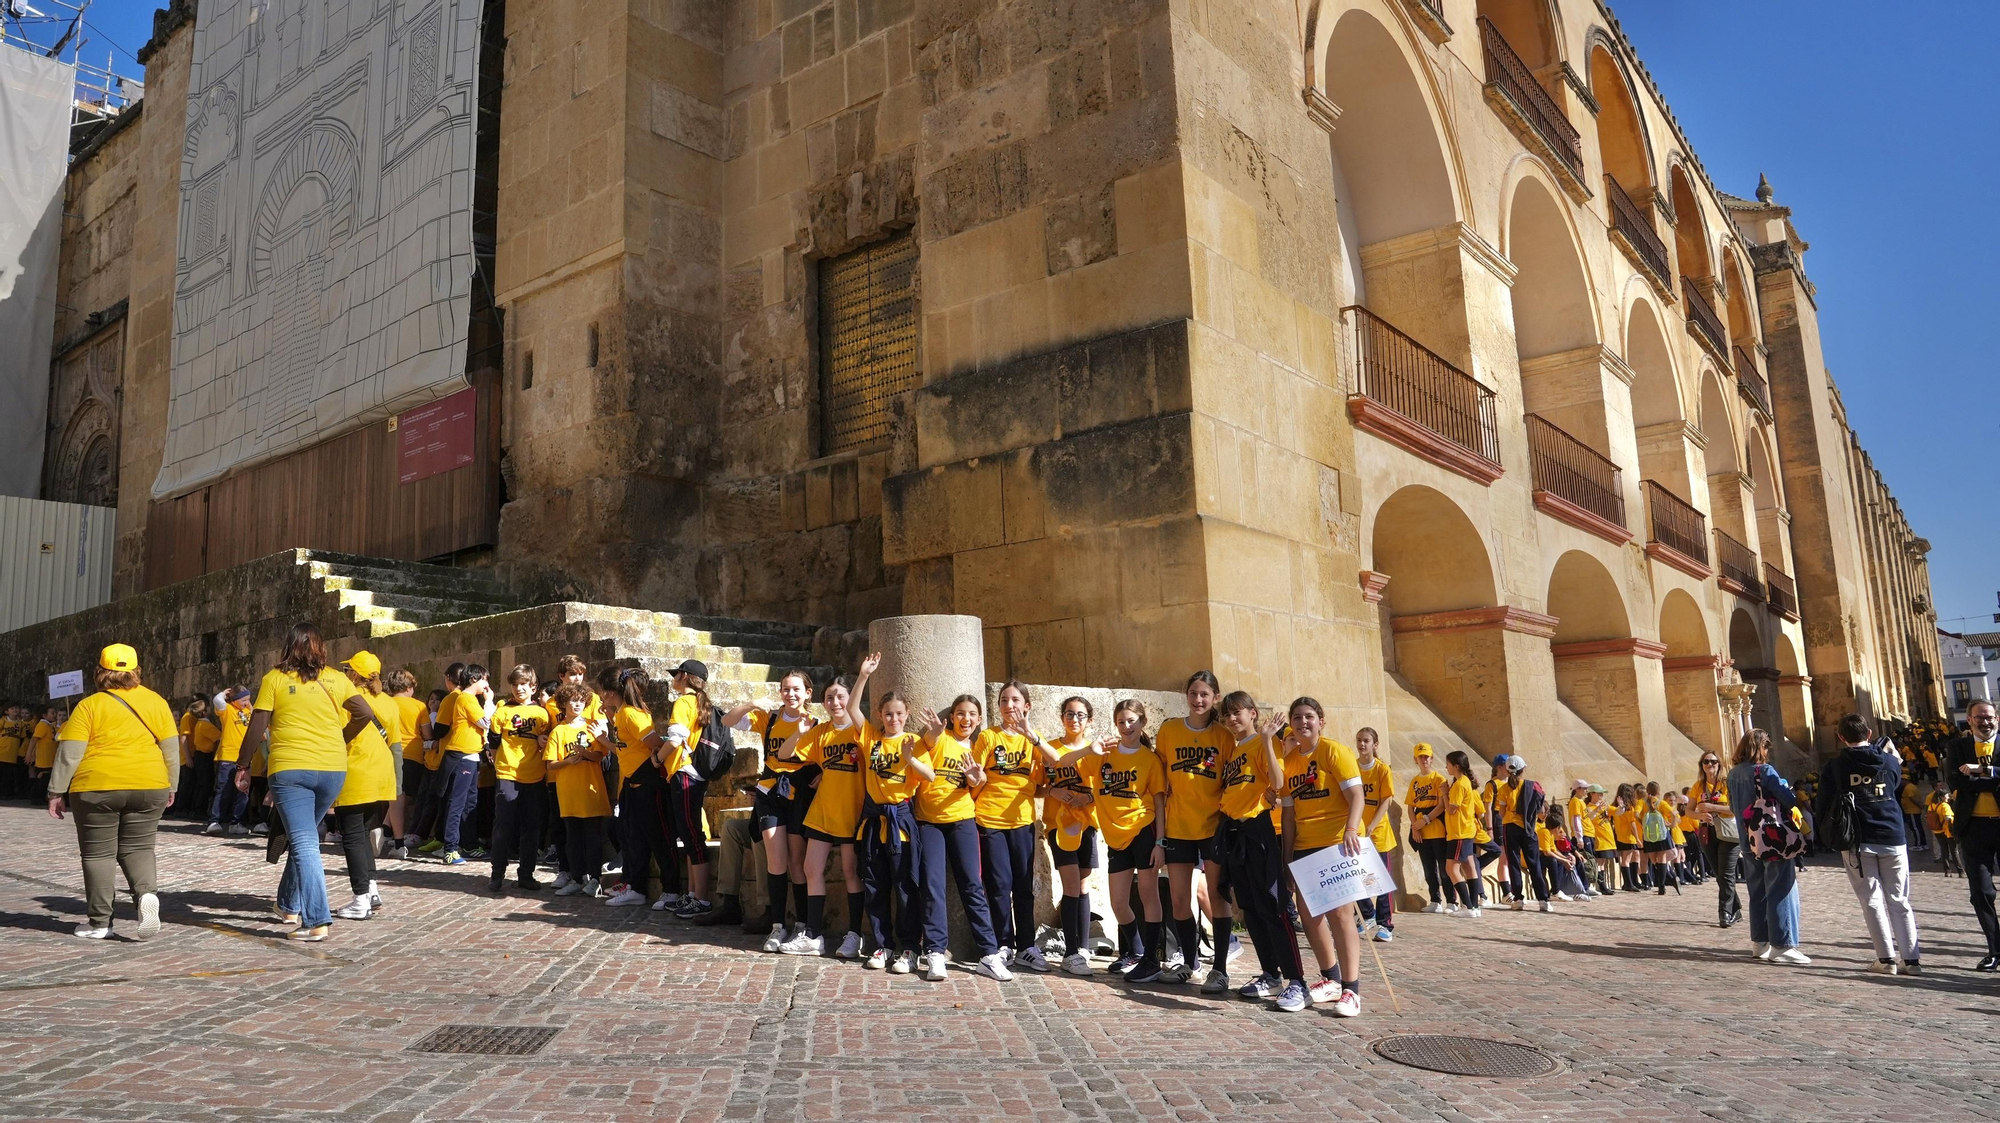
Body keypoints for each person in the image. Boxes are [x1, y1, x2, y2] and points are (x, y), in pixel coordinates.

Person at [236, 623, 374, 941]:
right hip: (332, 769)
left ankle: (316, 920)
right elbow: (364, 713)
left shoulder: (275, 679)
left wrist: (243, 765)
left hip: (290, 770)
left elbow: (257, 728)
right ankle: (287, 904)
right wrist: (341, 738)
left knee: (304, 842)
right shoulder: (337, 679)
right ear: (321, 648)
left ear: (289, 646)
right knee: (304, 838)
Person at [45, 644, 179, 938]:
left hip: (96, 786)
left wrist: (56, 791)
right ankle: (146, 895)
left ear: (101, 672)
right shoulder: (156, 702)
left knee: (98, 855)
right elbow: (171, 747)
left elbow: (70, 753)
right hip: (149, 782)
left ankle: (100, 922)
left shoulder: (89, 706)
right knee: (139, 848)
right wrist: (172, 784)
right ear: (136, 671)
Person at [1214, 691, 1308, 1010]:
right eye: (1227, 714)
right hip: (1235, 833)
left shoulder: (1265, 742)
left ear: (1252, 713)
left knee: (1273, 907)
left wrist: (1268, 739)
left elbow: (1279, 782)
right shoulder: (1234, 749)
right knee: (1250, 908)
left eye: (1237, 712)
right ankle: (1270, 974)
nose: (1231, 719)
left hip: (1259, 831)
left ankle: (1298, 981)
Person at [908, 692, 1010, 981]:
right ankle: (935, 952)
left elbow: (976, 785)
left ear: (979, 720)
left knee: (972, 885)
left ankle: (988, 954)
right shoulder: (939, 737)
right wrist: (934, 732)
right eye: (960, 713)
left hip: (963, 819)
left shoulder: (979, 748)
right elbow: (927, 744)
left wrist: (979, 780)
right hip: (929, 822)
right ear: (951, 717)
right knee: (932, 885)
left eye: (971, 714)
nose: (966, 719)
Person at [1816, 713, 1922, 975]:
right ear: (1869, 734)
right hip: (1892, 834)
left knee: (1871, 899)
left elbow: (1824, 803)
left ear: (1841, 737)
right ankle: (1911, 960)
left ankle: (1885, 960)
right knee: (1899, 899)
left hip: (1857, 839)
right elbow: (1895, 785)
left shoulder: (1835, 766)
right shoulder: (1888, 760)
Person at [1279, 697, 1365, 1017]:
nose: (1303, 722)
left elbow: (1356, 794)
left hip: (1336, 844)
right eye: (1297, 717)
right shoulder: (1289, 763)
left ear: (1321, 721)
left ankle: (1351, 990)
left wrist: (1351, 829)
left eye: (1310, 717)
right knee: (1310, 916)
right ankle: (1330, 977)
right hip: (1304, 847)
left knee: (1341, 915)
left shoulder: (1334, 751)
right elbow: (1288, 817)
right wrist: (1287, 858)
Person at [711, 669, 815, 933]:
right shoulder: (769, 718)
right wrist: (750, 704)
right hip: (770, 794)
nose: (790, 694)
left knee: (796, 862)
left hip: (798, 796)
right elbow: (726, 721)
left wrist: (822, 777)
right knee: (776, 860)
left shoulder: (814, 724)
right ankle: (777, 926)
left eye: (796, 689)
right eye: (786, 689)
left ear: (807, 693)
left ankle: (801, 925)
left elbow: (823, 760)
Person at [771, 669, 867, 954]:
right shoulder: (821, 732)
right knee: (811, 868)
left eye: (840, 696)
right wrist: (799, 733)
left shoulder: (861, 729)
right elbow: (785, 755)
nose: (835, 702)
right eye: (829, 697)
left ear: (849, 699)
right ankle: (813, 936)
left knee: (851, 872)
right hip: (823, 811)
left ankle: (854, 934)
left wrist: (861, 677)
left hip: (852, 811)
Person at [1076, 698, 1167, 982]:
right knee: (1118, 902)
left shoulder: (1150, 760)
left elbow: (1161, 803)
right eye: (1120, 722)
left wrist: (1160, 842)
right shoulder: (1105, 754)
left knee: (1148, 894)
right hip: (1115, 837)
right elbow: (1066, 764)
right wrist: (1088, 748)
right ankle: (1136, 951)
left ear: (1142, 723)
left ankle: (1152, 960)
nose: (1126, 727)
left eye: (1131, 721)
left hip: (1144, 830)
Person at [1154, 671, 1232, 984]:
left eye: (1204, 695)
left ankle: (1221, 969)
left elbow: (1233, 779)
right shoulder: (1169, 730)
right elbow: (1159, 779)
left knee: (1217, 897)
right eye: (1193, 694)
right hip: (1178, 827)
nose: (1198, 700)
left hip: (1213, 827)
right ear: (1186, 695)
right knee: (1178, 899)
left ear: (1215, 698)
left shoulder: (1223, 736)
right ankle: (1190, 962)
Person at [973, 682, 1048, 972]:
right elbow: (977, 777)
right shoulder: (989, 737)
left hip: (1023, 821)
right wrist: (975, 777)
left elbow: (1040, 783)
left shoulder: (1033, 740)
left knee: (1023, 886)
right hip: (990, 819)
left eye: (1015, 700)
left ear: (1026, 706)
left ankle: (1026, 946)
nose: (1009, 705)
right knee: (999, 885)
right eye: (1004, 700)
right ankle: (1004, 944)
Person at [856, 685, 932, 971]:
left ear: (907, 714)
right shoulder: (872, 739)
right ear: (880, 715)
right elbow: (853, 710)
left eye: (899, 714)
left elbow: (930, 775)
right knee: (875, 887)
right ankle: (882, 945)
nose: (893, 719)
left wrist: (910, 758)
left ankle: (910, 947)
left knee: (904, 888)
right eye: (888, 714)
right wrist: (864, 676)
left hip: (900, 822)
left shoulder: (912, 740)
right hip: (875, 822)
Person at [1727, 728, 1808, 965]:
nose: (1767, 751)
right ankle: (1782, 945)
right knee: (1780, 888)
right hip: (1772, 838)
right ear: (1760, 747)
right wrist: (1785, 785)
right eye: (1766, 746)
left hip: (1748, 839)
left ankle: (1759, 942)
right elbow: (1789, 799)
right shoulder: (1765, 771)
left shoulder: (1732, 774)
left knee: (1757, 891)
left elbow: (1733, 807)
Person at [330, 651, 399, 920]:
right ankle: (371, 890)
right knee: (365, 835)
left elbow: (337, 734)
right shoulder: (389, 702)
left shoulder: (348, 700)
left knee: (353, 836)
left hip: (356, 771)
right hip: (381, 772)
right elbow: (393, 741)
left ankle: (360, 899)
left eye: (348, 670)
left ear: (354, 675)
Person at [1039, 695, 1100, 976]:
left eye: (1079, 715)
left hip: (1087, 824)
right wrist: (1052, 791)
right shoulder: (1050, 748)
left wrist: (1087, 797)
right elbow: (1036, 787)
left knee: (1084, 885)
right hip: (1059, 826)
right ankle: (1071, 952)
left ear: (1089, 719)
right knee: (1071, 884)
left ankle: (1082, 947)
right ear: (1061, 717)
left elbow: (1105, 788)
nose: (1073, 720)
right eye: (1068, 714)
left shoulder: (1097, 751)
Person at [1943, 697, 2000, 971]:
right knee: (1981, 893)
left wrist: (1982, 771)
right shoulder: (1957, 747)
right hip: (1973, 828)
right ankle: (1995, 950)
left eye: (1989, 716)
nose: (1985, 721)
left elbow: (1969, 782)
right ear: (1970, 721)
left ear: (1997, 719)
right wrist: (1991, 782)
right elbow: (1955, 780)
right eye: (1979, 717)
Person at [660, 659, 717, 918]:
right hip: (696, 775)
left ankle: (702, 899)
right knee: (689, 835)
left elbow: (675, 738)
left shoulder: (684, 702)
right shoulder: (702, 703)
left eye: (676, 674)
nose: (674, 678)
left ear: (684, 676)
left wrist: (657, 758)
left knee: (692, 837)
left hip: (684, 774)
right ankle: (693, 894)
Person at [544, 682, 612, 897]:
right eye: (573, 701)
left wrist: (585, 754)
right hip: (568, 792)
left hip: (591, 790)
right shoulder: (558, 731)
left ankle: (594, 878)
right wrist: (569, 761)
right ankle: (576, 877)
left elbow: (600, 755)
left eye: (581, 701)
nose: (577, 705)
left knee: (593, 836)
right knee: (572, 837)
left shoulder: (592, 727)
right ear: (563, 704)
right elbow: (550, 764)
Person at [489, 664, 551, 894]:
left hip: (534, 776)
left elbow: (546, 742)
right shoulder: (502, 711)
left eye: (523, 684)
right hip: (507, 773)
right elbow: (493, 743)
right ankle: (497, 873)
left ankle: (526, 873)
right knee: (503, 826)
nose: (518, 689)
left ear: (533, 686)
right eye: (514, 685)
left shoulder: (542, 713)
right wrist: (499, 765)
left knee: (531, 828)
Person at [434, 664, 494, 866]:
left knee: (470, 802)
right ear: (475, 679)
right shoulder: (466, 698)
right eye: (485, 680)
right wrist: (490, 702)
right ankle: (450, 848)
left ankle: (468, 844)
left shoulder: (470, 700)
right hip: (460, 756)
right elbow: (485, 722)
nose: (487, 685)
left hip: (471, 755)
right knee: (457, 803)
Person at [1353, 727, 1398, 939]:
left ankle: (1385, 924)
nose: (1362, 744)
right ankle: (1366, 914)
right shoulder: (1352, 767)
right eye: (1359, 740)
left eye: (1366, 741)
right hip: (1356, 833)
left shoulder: (1381, 770)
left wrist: (1371, 825)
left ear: (1375, 744)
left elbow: (1385, 800)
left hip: (1378, 833)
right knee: (1359, 877)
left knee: (1381, 881)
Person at [1498, 755, 1553, 910]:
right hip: (1528, 828)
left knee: (1514, 864)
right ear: (1523, 769)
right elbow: (1541, 810)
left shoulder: (1503, 789)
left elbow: (1501, 813)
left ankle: (1518, 899)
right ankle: (1543, 900)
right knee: (1534, 864)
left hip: (1510, 827)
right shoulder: (1532, 785)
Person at [1404, 744, 1449, 911]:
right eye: (1420, 757)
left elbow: (1441, 805)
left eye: (1426, 757)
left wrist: (1426, 819)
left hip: (1436, 828)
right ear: (1415, 759)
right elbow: (1410, 806)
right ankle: (1435, 900)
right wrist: (1415, 827)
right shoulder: (1414, 782)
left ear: (1431, 758)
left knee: (1444, 867)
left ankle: (1451, 900)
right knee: (1429, 868)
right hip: (1421, 832)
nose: (1423, 760)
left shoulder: (1439, 779)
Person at [204, 688, 253, 835]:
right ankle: (214, 821)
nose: (246, 702)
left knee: (243, 791)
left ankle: (236, 822)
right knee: (223, 789)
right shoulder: (228, 710)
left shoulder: (248, 713)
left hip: (244, 757)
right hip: (228, 755)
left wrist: (250, 706)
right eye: (243, 700)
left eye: (248, 699)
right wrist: (225, 694)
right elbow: (217, 701)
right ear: (234, 700)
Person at [1440, 750, 1481, 916]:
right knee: (1469, 866)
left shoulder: (1459, 784)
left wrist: (1444, 794)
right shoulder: (1464, 782)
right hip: (1466, 831)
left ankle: (1469, 906)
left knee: (1451, 868)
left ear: (1456, 766)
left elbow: (1450, 810)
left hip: (1459, 833)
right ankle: (1474, 906)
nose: (1446, 767)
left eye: (1448, 764)